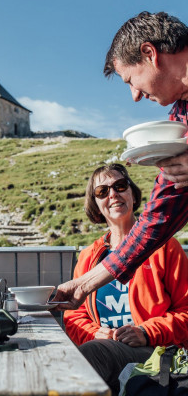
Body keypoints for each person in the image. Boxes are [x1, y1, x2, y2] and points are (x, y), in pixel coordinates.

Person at [53, 11, 188, 310]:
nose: (135, 96)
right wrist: (84, 284)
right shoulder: (180, 121)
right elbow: (157, 218)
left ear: (150, 53)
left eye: (130, 80)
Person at [63, 164, 188, 395]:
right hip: (104, 347)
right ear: (96, 204)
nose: (113, 194)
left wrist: (146, 332)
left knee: (93, 355)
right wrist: (94, 333)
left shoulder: (166, 247)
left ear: (132, 194)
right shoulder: (89, 256)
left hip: (155, 350)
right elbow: (74, 315)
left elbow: (186, 311)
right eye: (102, 191)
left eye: (120, 186)